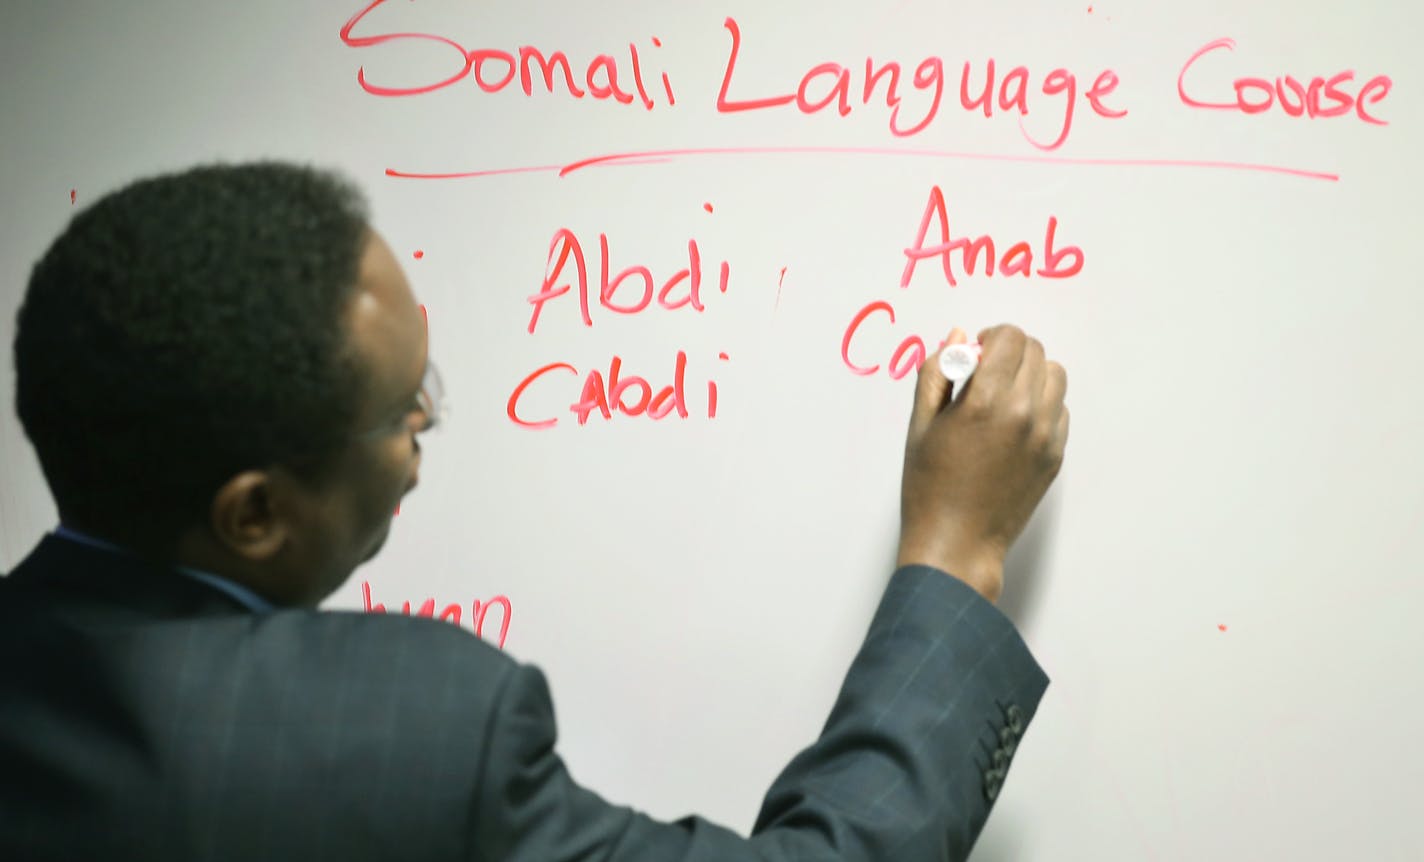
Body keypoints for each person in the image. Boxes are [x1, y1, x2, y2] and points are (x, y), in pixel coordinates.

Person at [0, 162, 1068, 861]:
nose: (425, 423)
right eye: (400, 413)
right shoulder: (396, 740)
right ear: (253, 515)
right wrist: (954, 547)